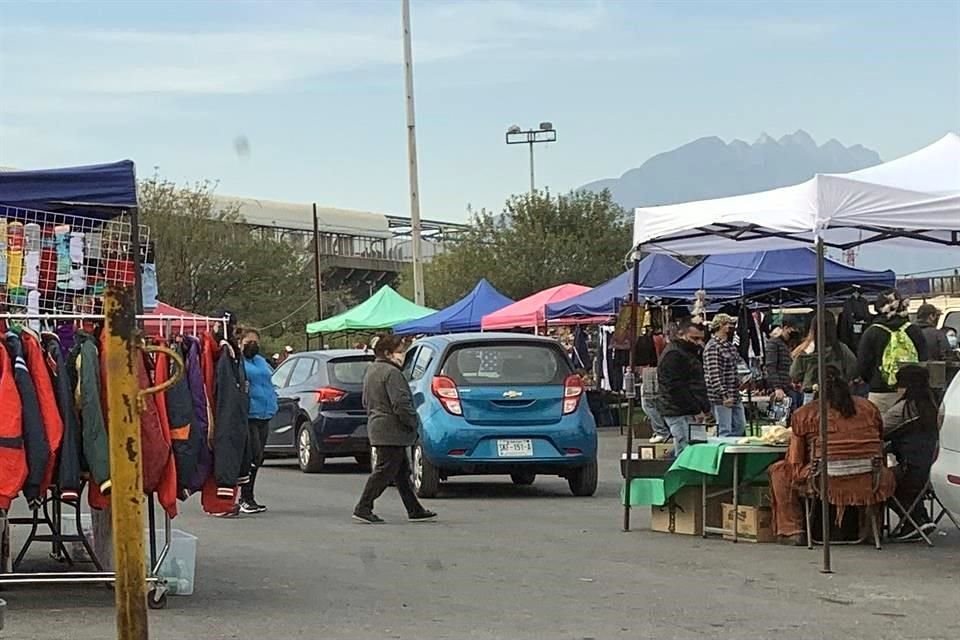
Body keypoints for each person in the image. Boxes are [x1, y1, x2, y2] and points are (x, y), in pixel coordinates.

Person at [769, 366, 896, 545]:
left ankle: (792, 531)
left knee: (779, 471)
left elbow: (795, 463)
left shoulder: (805, 414)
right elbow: (880, 442)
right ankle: (868, 529)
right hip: (869, 479)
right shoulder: (869, 408)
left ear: (816, 388)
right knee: (884, 472)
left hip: (824, 480)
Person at [354, 334, 436, 524]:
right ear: (387, 353)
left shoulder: (372, 370)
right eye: (399, 351)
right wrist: (413, 422)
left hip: (379, 426)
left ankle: (414, 509)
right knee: (385, 471)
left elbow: (366, 401)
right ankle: (363, 506)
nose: (402, 355)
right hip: (392, 431)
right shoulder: (392, 373)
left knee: (401, 473)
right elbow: (401, 404)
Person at [882, 365, 940, 541]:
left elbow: (877, 430)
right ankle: (920, 517)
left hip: (910, 470)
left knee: (879, 486)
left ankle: (912, 521)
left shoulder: (903, 410)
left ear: (905, 386)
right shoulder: (934, 406)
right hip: (931, 472)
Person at [857, 290, 928, 414]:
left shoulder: (871, 332)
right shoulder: (914, 330)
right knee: (908, 429)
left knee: (879, 428)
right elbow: (924, 359)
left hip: (880, 391)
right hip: (910, 392)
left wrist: (875, 379)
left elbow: (863, 366)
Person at [656, 319, 711, 455]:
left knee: (694, 447)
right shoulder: (674, 354)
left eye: (700, 339)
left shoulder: (689, 352)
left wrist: (703, 408)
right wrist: (697, 409)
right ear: (681, 334)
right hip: (679, 410)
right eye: (694, 338)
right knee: (686, 449)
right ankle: (679, 472)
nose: (698, 342)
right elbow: (676, 387)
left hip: (688, 408)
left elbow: (695, 383)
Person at [239, 329, 278, 514]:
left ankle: (249, 496)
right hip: (249, 415)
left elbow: (270, 379)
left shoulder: (261, 361)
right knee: (252, 456)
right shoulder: (237, 362)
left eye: (255, 341)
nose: (252, 345)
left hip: (265, 413)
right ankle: (244, 497)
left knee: (259, 457)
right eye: (248, 341)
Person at [790, 311, 858, 405]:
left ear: (813, 327)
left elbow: (794, 374)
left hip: (812, 394)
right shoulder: (841, 349)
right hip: (838, 395)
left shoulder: (806, 349)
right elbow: (853, 369)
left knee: (811, 418)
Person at [703, 313, 746, 437]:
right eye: (727, 324)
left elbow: (739, 364)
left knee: (740, 426)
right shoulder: (713, 347)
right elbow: (714, 374)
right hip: (721, 397)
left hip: (735, 393)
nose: (730, 326)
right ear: (720, 326)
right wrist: (723, 395)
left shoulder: (729, 345)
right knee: (724, 429)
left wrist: (744, 378)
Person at [765, 320, 802, 409]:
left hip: (790, 386)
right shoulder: (774, 343)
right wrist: (777, 387)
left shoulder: (786, 344)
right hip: (782, 387)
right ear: (785, 328)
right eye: (793, 329)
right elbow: (770, 366)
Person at [641, 365, 671, 444]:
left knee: (649, 401)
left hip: (652, 367)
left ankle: (661, 431)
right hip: (655, 367)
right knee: (653, 401)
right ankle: (663, 430)